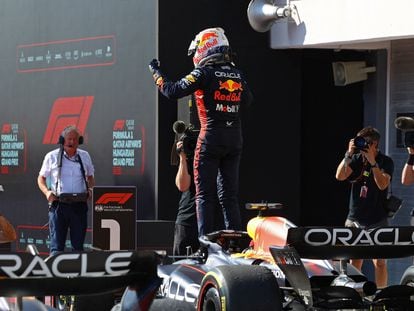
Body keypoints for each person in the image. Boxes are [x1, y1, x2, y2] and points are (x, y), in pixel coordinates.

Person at [149, 27, 253, 238]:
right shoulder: (238, 74)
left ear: (205, 47)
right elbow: (248, 101)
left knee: (204, 195)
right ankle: (236, 242)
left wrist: (156, 73)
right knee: (229, 196)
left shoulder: (203, 72)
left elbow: (172, 90)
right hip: (234, 138)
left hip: (211, 138)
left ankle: (206, 244)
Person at [335, 126, 393, 288]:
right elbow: (339, 176)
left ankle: (381, 295)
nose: (363, 146)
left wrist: (373, 163)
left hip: (377, 219)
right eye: (360, 142)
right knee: (354, 262)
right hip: (355, 218)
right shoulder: (356, 159)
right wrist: (348, 154)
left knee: (380, 262)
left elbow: (382, 185)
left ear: (375, 144)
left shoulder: (385, 161)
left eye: (366, 142)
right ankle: (357, 295)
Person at [37, 125, 95, 256]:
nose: (72, 142)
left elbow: (90, 177)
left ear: (79, 141)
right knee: (57, 248)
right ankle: (54, 275)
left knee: (78, 248)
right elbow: (40, 179)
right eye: (69, 139)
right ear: (62, 140)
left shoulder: (85, 156)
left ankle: (78, 275)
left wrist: (90, 190)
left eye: (75, 139)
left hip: (79, 206)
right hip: (58, 206)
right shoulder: (51, 156)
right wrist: (47, 193)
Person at [172, 140, 199, 256]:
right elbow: (182, 186)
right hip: (188, 218)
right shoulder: (189, 158)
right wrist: (182, 157)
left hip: (211, 219)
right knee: (180, 264)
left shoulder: (216, 155)